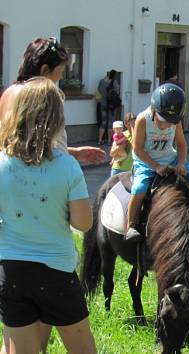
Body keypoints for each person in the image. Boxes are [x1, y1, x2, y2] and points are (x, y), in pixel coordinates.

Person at [0, 77, 97, 354]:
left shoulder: (1, 163)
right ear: (56, 119)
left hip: (11, 271)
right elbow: (83, 222)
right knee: (82, 348)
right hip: (56, 272)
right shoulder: (67, 166)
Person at [0, 37, 106, 165]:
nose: (61, 77)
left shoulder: (8, 93)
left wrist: (74, 152)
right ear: (45, 69)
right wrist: (69, 156)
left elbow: (30, 148)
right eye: (60, 71)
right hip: (43, 177)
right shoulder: (46, 98)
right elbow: (47, 152)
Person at [124, 84, 189, 241]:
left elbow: (181, 144)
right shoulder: (143, 119)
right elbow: (137, 149)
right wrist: (156, 167)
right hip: (147, 162)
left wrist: (181, 163)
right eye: (162, 120)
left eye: (170, 122)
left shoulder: (175, 121)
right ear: (154, 109)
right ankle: (131, 225)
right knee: (140, 188)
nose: (166, 125)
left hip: (170, 158)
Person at [97, 70, 120, 145]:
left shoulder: (101, 81)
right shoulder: (115, 82)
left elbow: (99, 91)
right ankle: (109, 141)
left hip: (103, 104)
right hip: (111, 106)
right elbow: (117, 92)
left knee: (103, 122)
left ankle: (100, 140)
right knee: (110, 123)